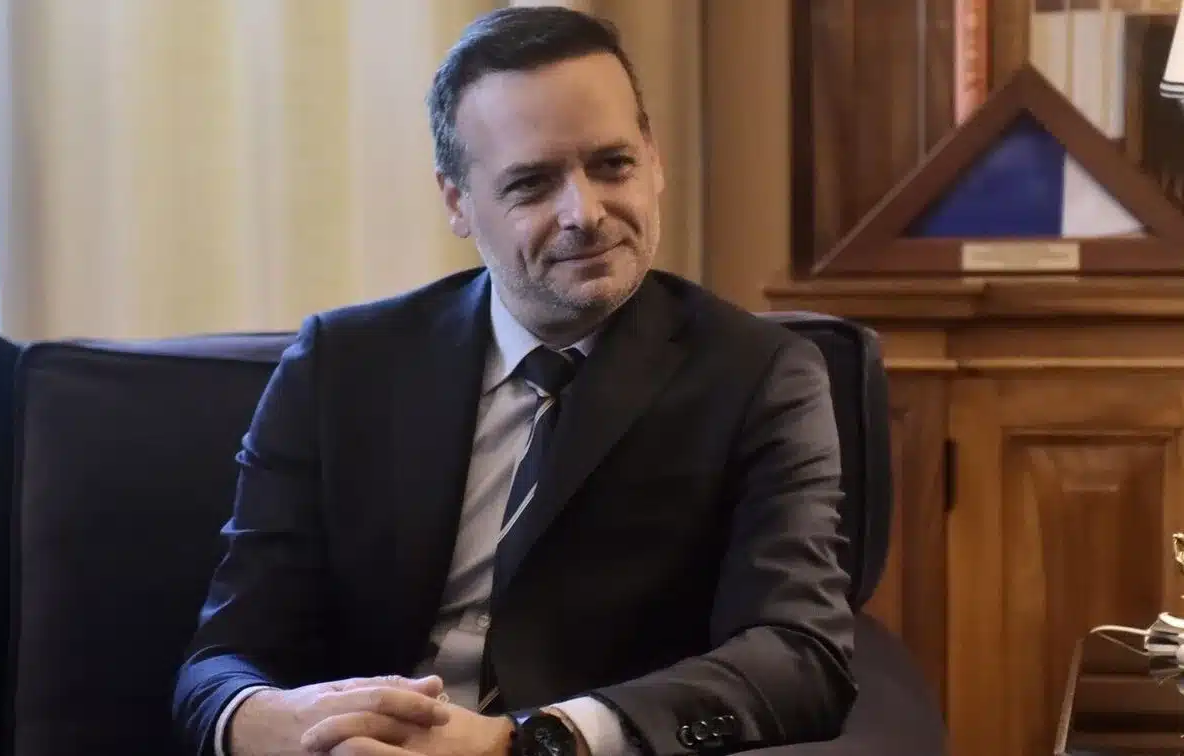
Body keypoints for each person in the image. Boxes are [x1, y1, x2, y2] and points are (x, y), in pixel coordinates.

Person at [172, 6, 856, 756]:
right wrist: (264, 722)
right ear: (457, 202)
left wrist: (530, 742)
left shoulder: (760, 376)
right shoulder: (339, 367)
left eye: (613, 165)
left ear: (655, 160)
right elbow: (225, 657)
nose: (585, 213)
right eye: (532, 183)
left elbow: (801, 657)